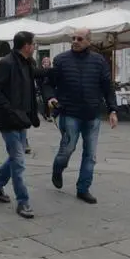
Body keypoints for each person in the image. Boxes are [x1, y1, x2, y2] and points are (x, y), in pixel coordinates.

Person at [0, 32, 53, 219]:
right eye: (34, 44)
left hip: (23, 119)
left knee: (17, 157)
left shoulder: (27, 63)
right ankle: (23, 202)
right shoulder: (6, 63)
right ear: (26, 46)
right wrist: (8, 108)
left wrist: (57, 69)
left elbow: (37, 74)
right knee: (19, 161)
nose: (35, 47)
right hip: (8, 120)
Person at [47, 28, 118, 204]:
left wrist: (112, 110)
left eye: (79, 38)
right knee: (68, 149)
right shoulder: (61, 60)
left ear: (88, 41)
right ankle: (58, 168)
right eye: (73, 38)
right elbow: (48, 83)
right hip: (69, 113)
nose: (75, 41)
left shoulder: (99, 61)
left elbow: (107, 87)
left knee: (90, 154)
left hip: (92, 114)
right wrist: (51, 97)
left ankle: (83, 188)